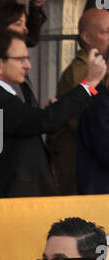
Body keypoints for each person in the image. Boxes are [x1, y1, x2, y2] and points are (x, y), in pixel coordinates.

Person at [0, 29, 104, 198]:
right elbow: (44, 121)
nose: (28, 65)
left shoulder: (4, 94)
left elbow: (36, 121)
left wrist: (51, 112)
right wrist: (89, 84)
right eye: (20, 59)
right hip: (16, 196)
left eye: (27, 58)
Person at [50, 2, 109, 195]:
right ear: (86, 37)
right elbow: (91, 119)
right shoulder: (83, 72)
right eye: (105, 32)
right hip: (82, 162)